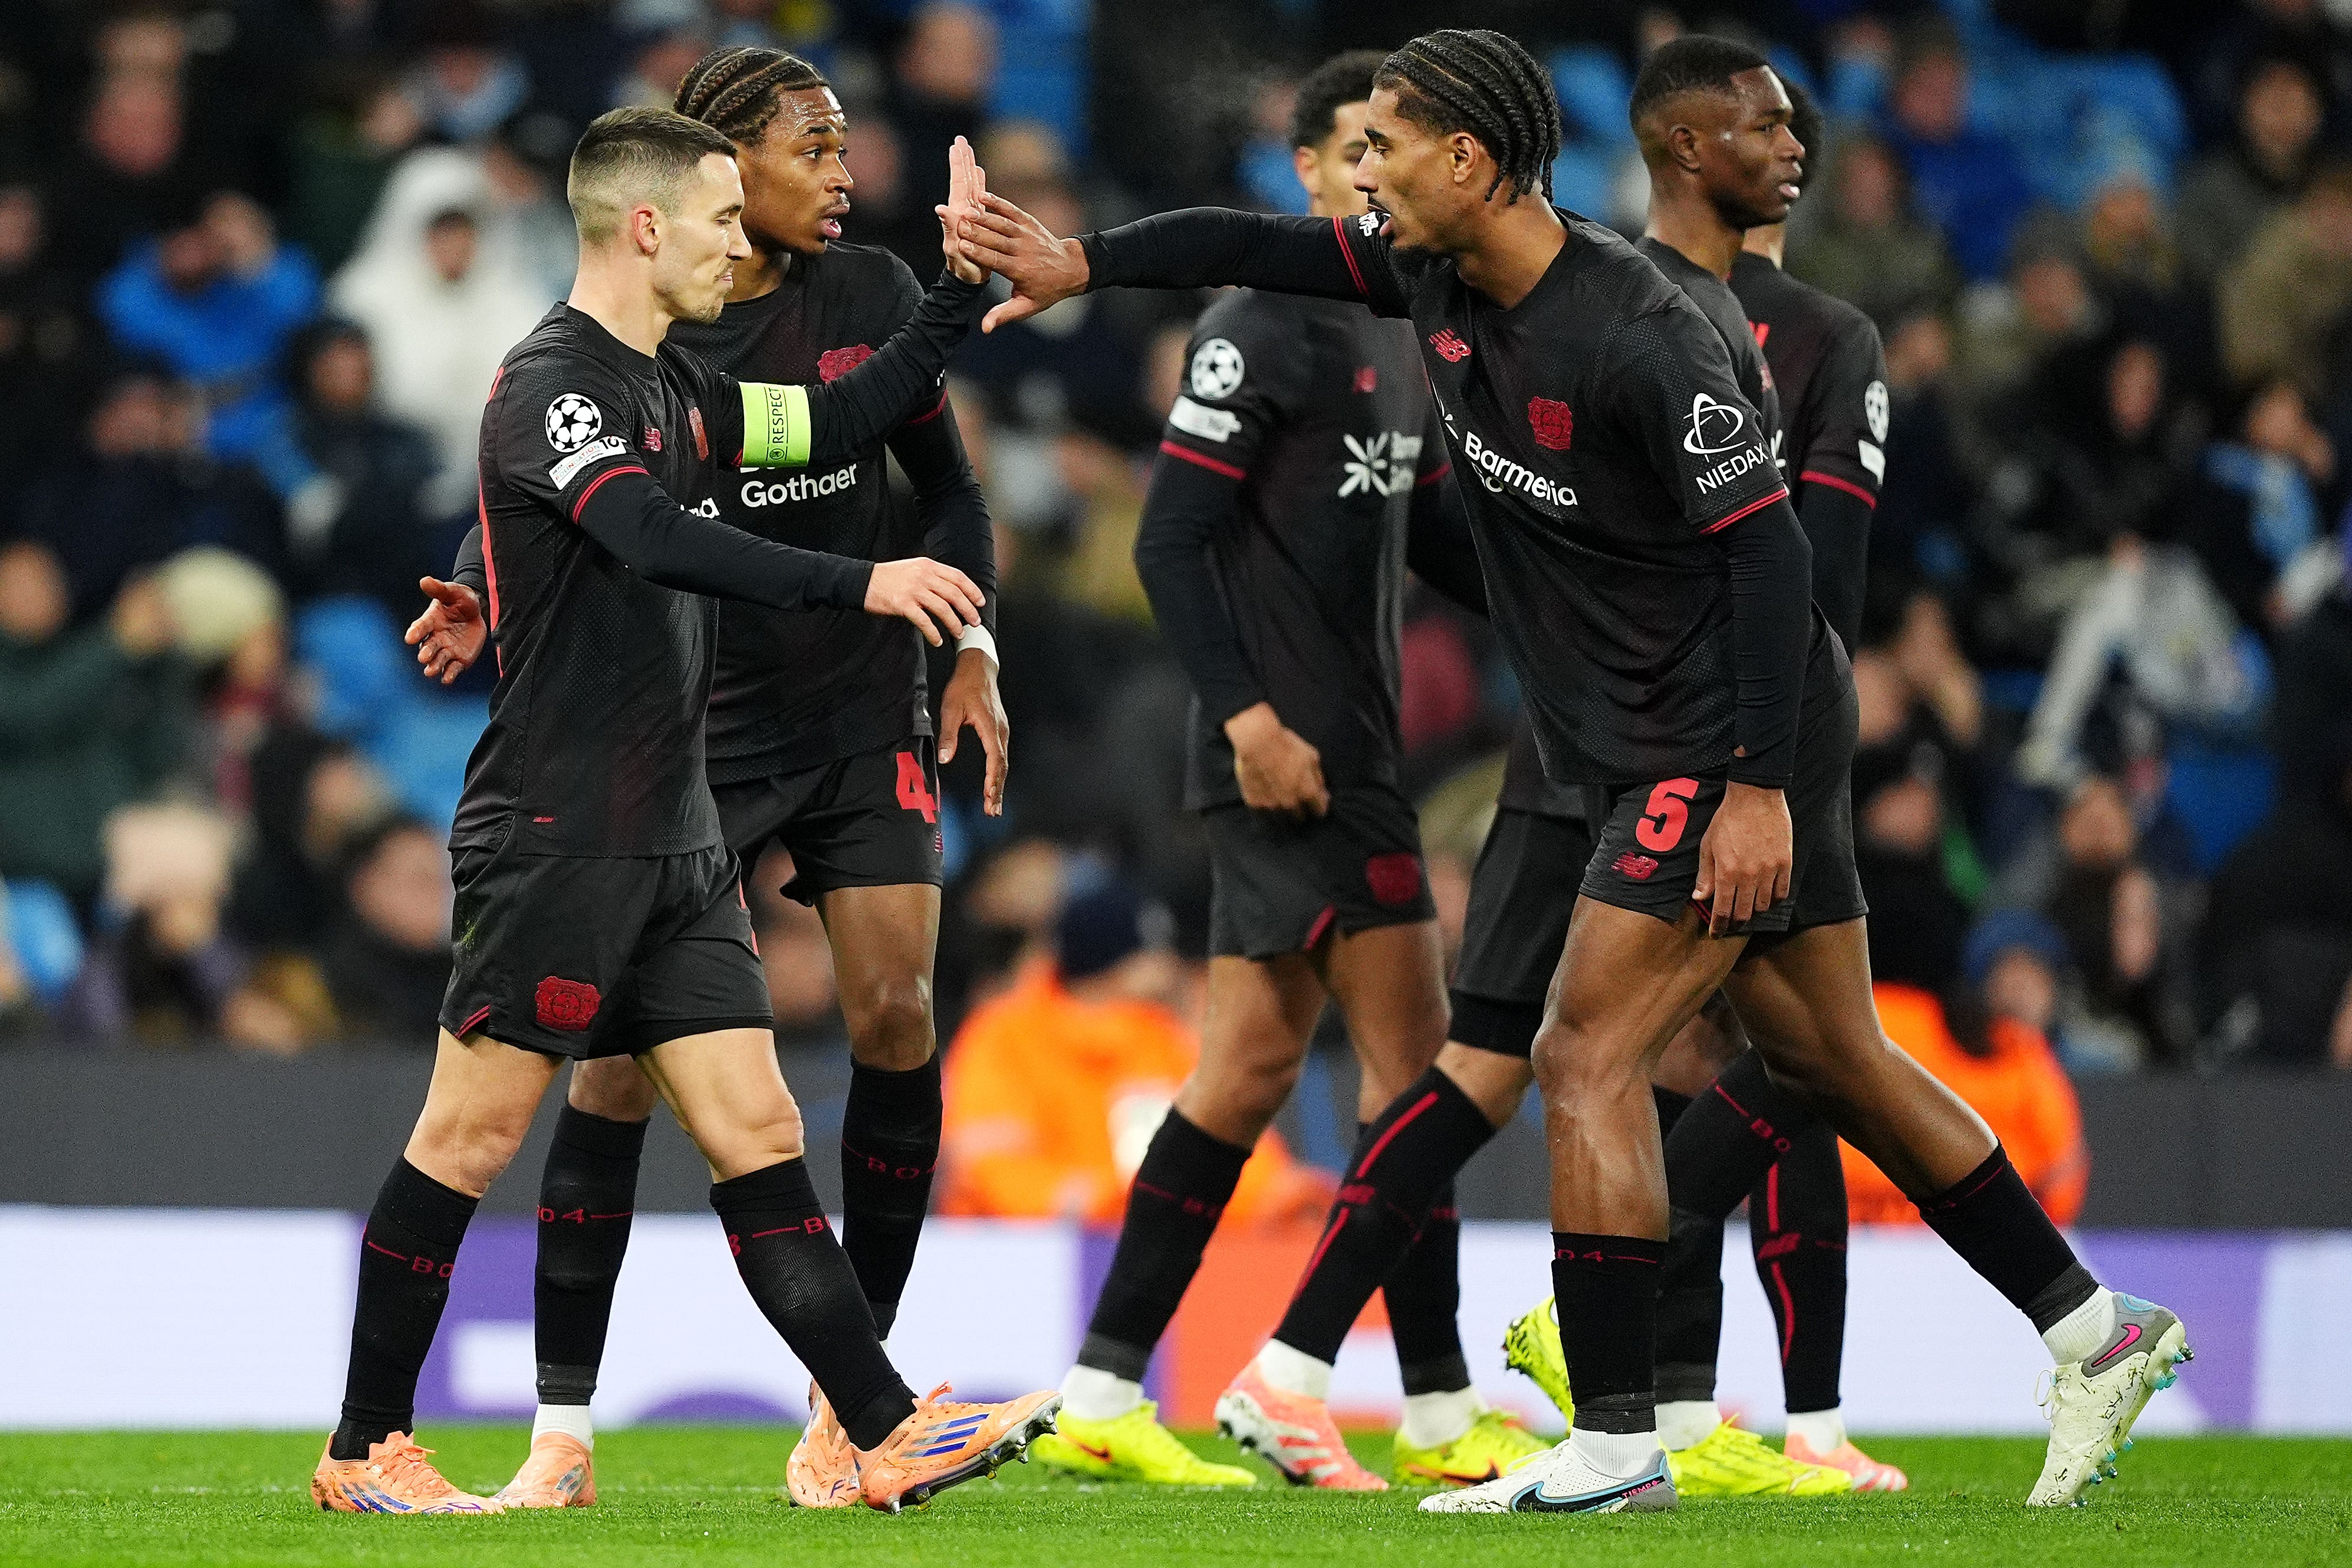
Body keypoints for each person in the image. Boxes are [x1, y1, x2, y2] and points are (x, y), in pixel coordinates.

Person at [954, 26, 2189, 1514]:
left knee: (1580, 1054)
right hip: (1647, 739)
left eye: (1386, 148)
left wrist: (1750, 789)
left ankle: (1613, 1447)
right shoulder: (1428, 272)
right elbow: (1249, 245)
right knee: (1833, 1059)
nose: (1363, 175)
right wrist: (1080, 264)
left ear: (1469, 160)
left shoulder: (1636, 331)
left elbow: (1770, 560)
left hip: (1718, 738)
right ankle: (2094, 1330)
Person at [309, 106, 1058, 1518]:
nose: (736, 243)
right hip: (561, 830)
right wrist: (864, 582)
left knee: (758, 1130)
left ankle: (881, 1429)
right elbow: (650, 535)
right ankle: (363, 1447)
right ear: (646, 226)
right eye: (718, 219)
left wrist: (955, 291)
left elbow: (843, 415)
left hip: (677, 836)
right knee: (465, 1140)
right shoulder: (558, 385)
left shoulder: (680, 388)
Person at [1018, 52, 1532, 1495]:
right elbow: (1166, 539)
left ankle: (1100, 1390)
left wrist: (1556, 604)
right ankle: (1423, 1407)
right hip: (1290, 750)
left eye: (1395, 148)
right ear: (1302, 169)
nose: (1374, 172)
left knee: (1243, 1071)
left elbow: (1425, 534)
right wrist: (1247, 718)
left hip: (1346, 739)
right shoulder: (1252, 325)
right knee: (1418, 1070)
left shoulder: (1399, 323)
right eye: (1353, 148)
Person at [938, 879, 1326, 1225]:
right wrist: (1121, 1201)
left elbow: (1234, 1164)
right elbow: (995, 1177)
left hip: (1136, 1246)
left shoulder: (1161, 1040)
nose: (1167, 976)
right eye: (1148, 966)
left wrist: (1281, 1197)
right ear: (1106, 975)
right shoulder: (1004, 1037)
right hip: (1016, 1262)